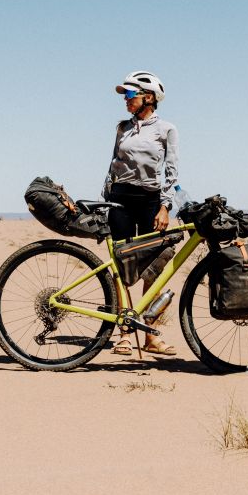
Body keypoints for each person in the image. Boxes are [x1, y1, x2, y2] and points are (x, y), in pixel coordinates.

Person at [104, 70, 179, 356]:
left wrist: (165, 206)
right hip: (120, 200)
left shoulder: (166, 129)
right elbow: (112, 163)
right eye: (125, 95)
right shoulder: (122, 128)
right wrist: (105, 199)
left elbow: (171, 171)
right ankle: (124, 333)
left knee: (153, 269)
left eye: (130, 94)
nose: (126, 99)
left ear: (149, 98)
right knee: (122, 268)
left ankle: (150, 336)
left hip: (150, 201)